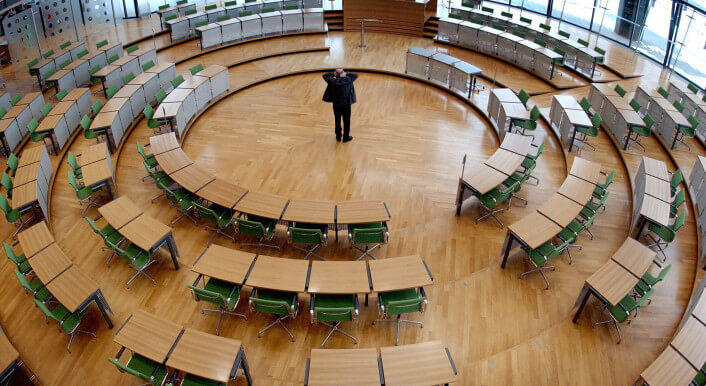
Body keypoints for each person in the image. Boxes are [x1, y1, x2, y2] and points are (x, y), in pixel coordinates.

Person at [322, 68, 358, 142]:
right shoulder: (348, 80)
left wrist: (333, 74)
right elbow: (355, 75)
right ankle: (346, 137)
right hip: (346, 105)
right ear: (342, 73)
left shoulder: (331, 81)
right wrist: (346, 74)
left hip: (336, 105)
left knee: (337, 120)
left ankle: (338, 136)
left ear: (336, 74)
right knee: (347, 121)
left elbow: (324, 75)